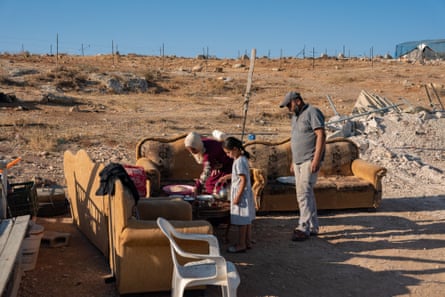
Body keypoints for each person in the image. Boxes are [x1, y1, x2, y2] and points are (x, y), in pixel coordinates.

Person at [279, 91, 326, 241]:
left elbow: (321, 135)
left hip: (309, 160)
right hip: (299, 161)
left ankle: (303, 226)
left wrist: (316, 159)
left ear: (297, 101)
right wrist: (293, 160)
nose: (288, 108)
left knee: (303, 194)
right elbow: (296, 139)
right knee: (306, 193)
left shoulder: (313, 112)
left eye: (289, 105)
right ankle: (313, 226)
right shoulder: (295, 117)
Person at [219, 136, 256, 253]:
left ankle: (241, 244)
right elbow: (239, 175)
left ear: (235, 149)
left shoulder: (239, 161)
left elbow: (243, 180)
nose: (228, 155)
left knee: (242, 220)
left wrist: (237, 197)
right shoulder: (241, 159)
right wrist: (228, 176)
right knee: (247, 220)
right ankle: (247, 241)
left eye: (228, 152)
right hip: (245, 194)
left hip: (241, 194)